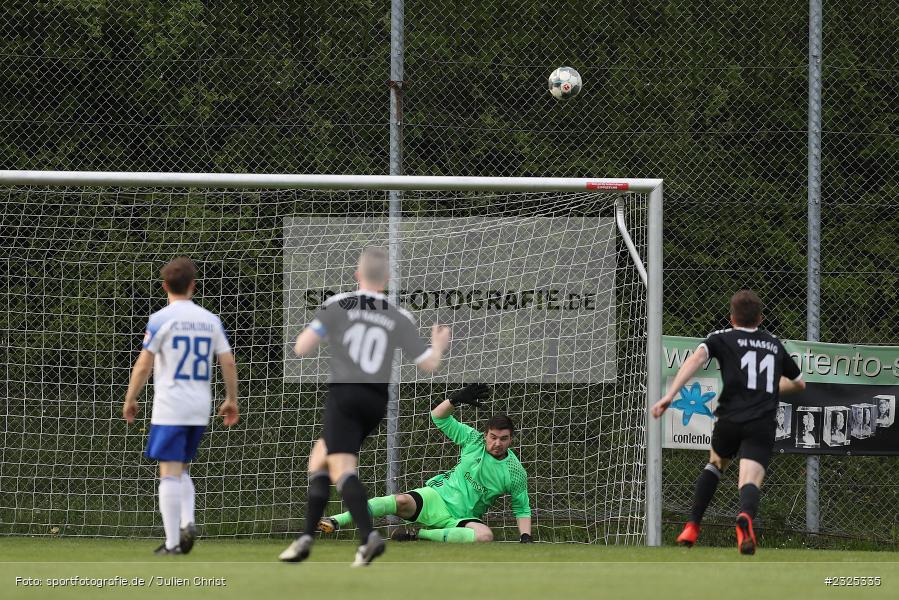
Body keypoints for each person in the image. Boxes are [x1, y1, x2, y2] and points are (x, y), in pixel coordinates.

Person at [279, 247, 450, 567]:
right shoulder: (399, 315)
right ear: (387, 279)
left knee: (342, 470)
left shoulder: (338, 304)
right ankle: (305, 539)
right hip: (375, 402)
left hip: (345, 395)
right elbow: (428, 364)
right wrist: (438, 346)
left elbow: (301, 347)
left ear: (357, 275)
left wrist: (325, 333)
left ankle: (368, 537)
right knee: (319, 460)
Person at [651, 289, 804, 555]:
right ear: (760, 318)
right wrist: (769, 389)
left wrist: (669, 395)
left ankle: (692, 525)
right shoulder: (773, 344)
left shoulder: (721, 337)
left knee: (716, 464)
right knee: (750, 479)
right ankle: (744, 516)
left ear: (732, 318)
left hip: (730, 419)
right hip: (761, 422)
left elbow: (696, 359)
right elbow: (799, 383)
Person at [122, 257, 239, 555]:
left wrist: (131, 397)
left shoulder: (160, 319)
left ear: (164, 286)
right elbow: (227, 361)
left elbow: (144, 365)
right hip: (199, 406)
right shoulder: (210, 320)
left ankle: (174, 542)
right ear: (193, 286)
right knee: (182, 467)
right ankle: (187, 522)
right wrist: (231, 399)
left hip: (171, 405)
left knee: (169, 471)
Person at [318, 384, 532, 544]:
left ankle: (419, 535)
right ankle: (336, 520)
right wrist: (455, 399)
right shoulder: (473, 440)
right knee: (400, 500)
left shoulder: (515, 471)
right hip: (437, 497)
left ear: (511, 439)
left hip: (463, 517)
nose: (497, 443)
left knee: (484, 536)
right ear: (485, 435)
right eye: (493, 437)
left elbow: (521, 507)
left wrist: (525, 536)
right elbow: (438, 417)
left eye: (503, 439)